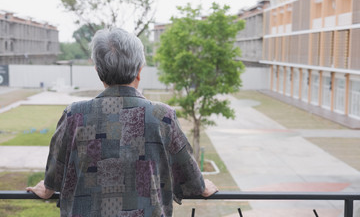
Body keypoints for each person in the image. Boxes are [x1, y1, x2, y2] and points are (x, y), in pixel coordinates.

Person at [26, 28, 218, 217]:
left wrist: (48, 188)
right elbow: (188, 176)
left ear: (97, 70)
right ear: (140, 71)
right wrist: (202, 186)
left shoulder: (74, 115)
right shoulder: (162, 116)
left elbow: (55, 173)